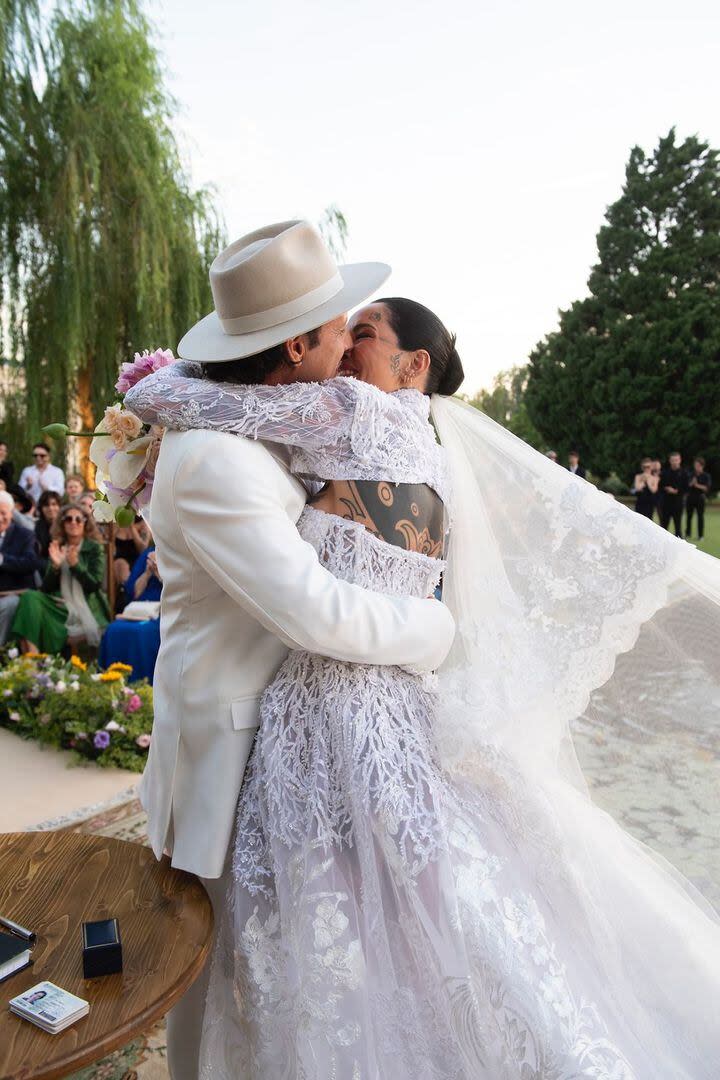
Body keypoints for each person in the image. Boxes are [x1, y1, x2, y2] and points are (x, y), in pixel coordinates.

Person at [131, 287, 720, 1075]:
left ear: (414, 366)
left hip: (328, 700)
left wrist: (171, 378)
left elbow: (164, 395)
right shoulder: (427, 447)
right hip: (393, 703)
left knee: (324, 920)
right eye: (343, 331)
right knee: (429, 905)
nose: (345, 348)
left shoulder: (350, 412)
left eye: (362, 334)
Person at [123, 221, 456, 1080]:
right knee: (216, 971)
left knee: (293, 969)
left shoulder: (292, 422)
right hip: (231, 747)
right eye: (340, 325)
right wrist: (434, 632)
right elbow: (312, 609)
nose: (350, 341)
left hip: (302, 735)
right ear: (299, 344)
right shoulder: (215, 466)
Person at [11, 503, 110, 653]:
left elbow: (94, 585)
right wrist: (56, 567)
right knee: (29, 597)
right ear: (62, 523)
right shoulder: (58, 547)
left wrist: (75, 565)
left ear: (86, 523)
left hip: (86, 605)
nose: (73, 523)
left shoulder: (94, 548)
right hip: (59, 604)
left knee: (32, 605)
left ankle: (33, 662)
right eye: (68, 519)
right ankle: (33, 656)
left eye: (79, 519)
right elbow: (46, 588)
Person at [99, 545, 162, 682]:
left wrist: (160, 574)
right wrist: (147, 573)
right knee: (114, 629)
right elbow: (134, 593)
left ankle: (142, 682)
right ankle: (112, 679)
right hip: (140, 609)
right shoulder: (149, 553)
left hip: (163, 610)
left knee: (141, 632)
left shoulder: (179, 553)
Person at [0, 490, 40, 644]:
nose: (0, 518)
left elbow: (30, 563)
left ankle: (2, 652)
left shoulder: (25, 535)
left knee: (9, 605)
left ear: (11, 514)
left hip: (14, 593)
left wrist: (3, 560)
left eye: (3, 513)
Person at [660, 451, 688, 536]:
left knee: (678, 526)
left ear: (680, 460)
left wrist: (676, 491)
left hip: (678, 503)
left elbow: (686, 488)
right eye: (673, 460)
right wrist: (666, 488)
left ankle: (679, 546)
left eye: (676, 460)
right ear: (670, 461)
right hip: (666, 503)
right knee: (664, 526)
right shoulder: (665, 473)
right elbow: (660, 486)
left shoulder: (684, 473)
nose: (675, 462)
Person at [34, 490, 62, 569]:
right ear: (41, 508)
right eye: (46, 505)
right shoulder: (37, 526)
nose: (51, 508)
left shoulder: (66, 524)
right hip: (43, 565)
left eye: (54, 504)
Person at [686, 456, 712, 541]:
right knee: (689, 516)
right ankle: (688, 534)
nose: (696, 467)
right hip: (690, 498)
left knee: (700, 517)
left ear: (702, 466)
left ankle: (700, 536)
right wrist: (691, 483)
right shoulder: (691, 474)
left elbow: (706, 488)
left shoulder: (706, 476)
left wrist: (696, 485)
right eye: (695, 465)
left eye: (698, 466)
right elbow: (687, 486)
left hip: (700, 498)